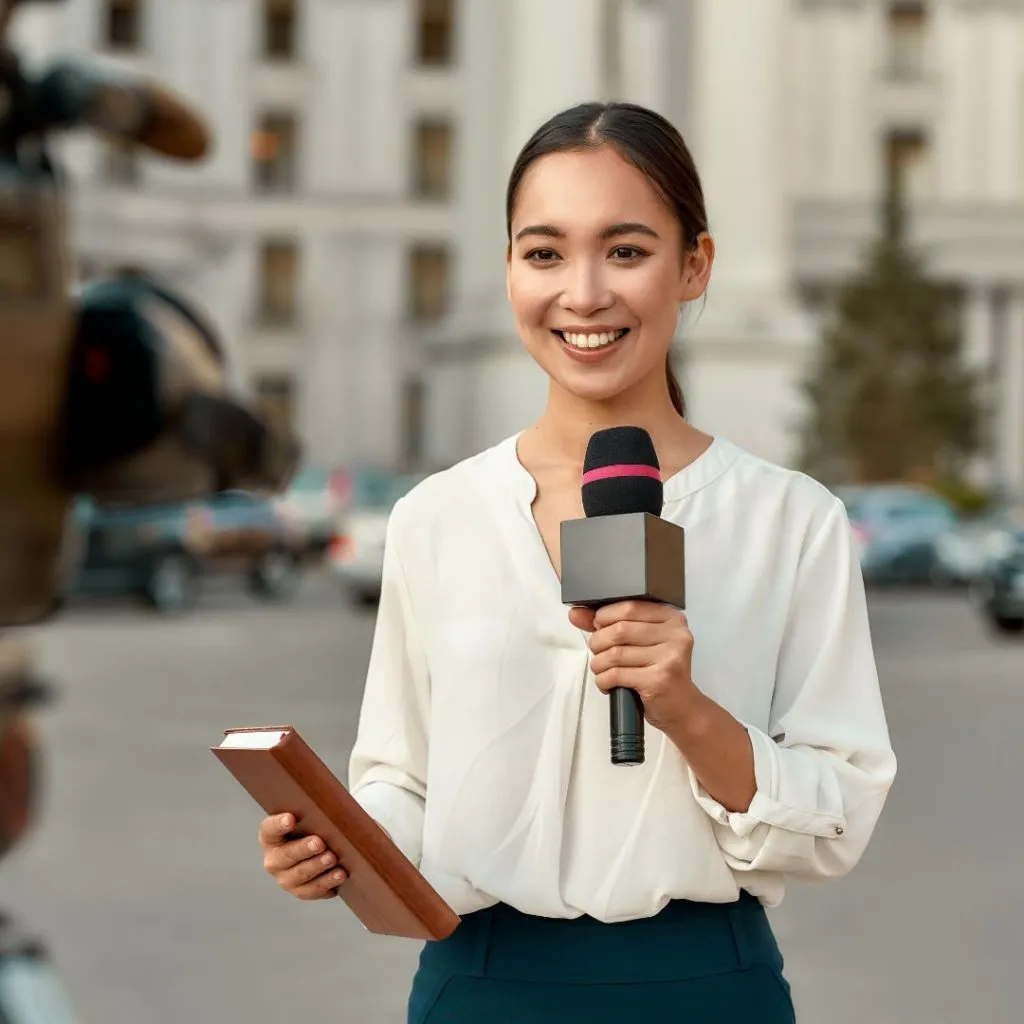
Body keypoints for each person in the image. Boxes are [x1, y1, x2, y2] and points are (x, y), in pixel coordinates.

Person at [257, 102, 897, 1022]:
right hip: (479, 985)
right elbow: (402, 779)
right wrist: (336, 843)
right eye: (545, 253)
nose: (584, 293)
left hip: (706, 987)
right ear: (510, 269)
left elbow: (838, 813)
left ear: (694, 266)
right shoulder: (438, 517)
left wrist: (687, 709)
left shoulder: (792, 522)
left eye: (626, 251)